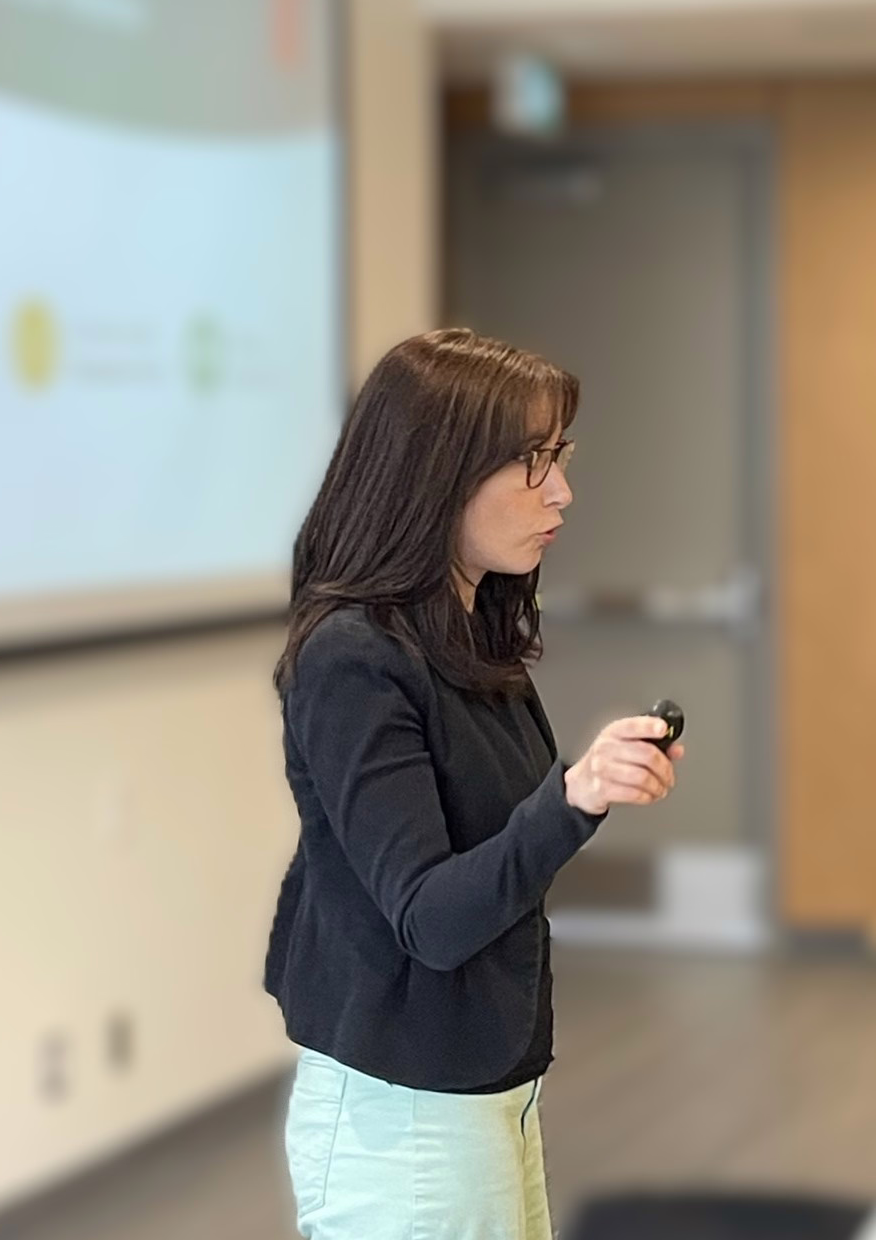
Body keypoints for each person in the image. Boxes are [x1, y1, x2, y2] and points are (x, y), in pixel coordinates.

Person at [264, 329, 684, 1240]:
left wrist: (583, 793)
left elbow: (500, 857)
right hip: (407, 1123)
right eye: (534, 463)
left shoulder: (466, 639)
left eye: (559, 457)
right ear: (439, 474)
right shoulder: (351, 661)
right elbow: (434, 918)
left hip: (486, 1096)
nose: (563, 490)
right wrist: (573, 798)